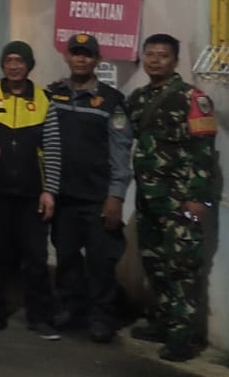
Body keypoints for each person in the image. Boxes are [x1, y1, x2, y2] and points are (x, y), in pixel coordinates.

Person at [124, 33, 219, 363]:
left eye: (162, 55)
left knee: (183, 267)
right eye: (150, 54)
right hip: (150, 199)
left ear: (175, 61)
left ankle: (183, 339)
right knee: (155, 263)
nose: (155, 60)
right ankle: (162, 323)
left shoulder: (193, 99)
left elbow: (204, 152)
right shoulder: (138, 98)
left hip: (184, 203)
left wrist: (199, 200)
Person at [0, 40, 62, 340]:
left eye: (20, 61)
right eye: (9, 60)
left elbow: (53, 148)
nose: (14, 66)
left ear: (29, 65)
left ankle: (39, 317)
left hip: (32, 194)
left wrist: (50, 191)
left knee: (35, 258)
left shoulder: (44, 99)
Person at [46, 33, 133, 343]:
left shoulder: (112, 101)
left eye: (87, 54)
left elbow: (120, 150)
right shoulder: (52, 95)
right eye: (75, 53)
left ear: (97, 60)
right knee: (66, 257)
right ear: (67, 57)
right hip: (63, 196)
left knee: (100, 262)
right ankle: (71, 309)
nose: (80, 59)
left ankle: (102, 317)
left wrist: (116, 196)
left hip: (98, 197)